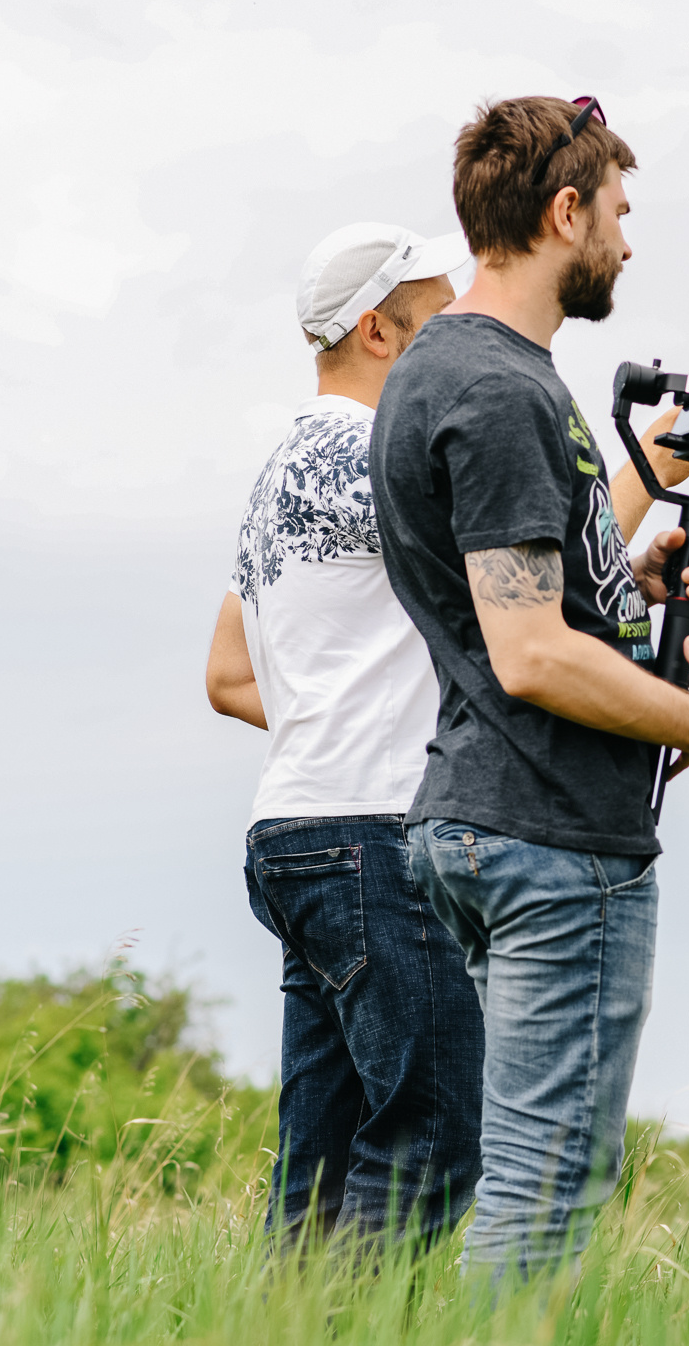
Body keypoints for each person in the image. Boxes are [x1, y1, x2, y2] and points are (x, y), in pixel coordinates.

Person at [370, 96, 689, 1286]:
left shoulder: (447, 368)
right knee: (545, 1188)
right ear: (563, 209)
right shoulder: (506, 391)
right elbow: (529, 651)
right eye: (618, 215)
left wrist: (626, 582)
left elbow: (519, 605)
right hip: (549, 834)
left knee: (524, 1167)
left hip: (480, 818)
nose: (627, 245)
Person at [202, 222, 483, 1246]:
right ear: (379, 329)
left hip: (293, 832)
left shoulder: (277, 472)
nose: (464, 340)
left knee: (315, 1169)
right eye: (444, 320)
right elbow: (523, 578)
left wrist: (336, 702)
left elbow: (230, 675)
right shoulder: (386, 455)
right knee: (434, 1138)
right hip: (374, 836)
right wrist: (651, 470)